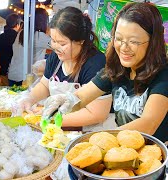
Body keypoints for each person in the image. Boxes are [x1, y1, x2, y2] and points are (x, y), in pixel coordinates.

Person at [43, 2, 168, 142]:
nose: (123, 47)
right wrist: (66, 101)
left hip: (156, 157)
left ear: (153, 43)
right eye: (119, 38)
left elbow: (148, 123)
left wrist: (103, 137)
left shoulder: (163, 75)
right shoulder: (117, 69)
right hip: (122, 150)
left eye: (133, 41)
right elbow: (82, 96)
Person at [16, 7, 112, 129]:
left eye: (62, 44)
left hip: (87, 133)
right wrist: (30, 98)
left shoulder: (95, 63)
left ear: (81, 41)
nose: (56, 47)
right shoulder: (55, 58)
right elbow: (45, 86)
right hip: (57, 129)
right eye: (53, 40)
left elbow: (97, 113)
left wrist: (54, 119)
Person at [8, 8, 51, 86]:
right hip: (26, 78)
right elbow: (60, 45)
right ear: (44, 22)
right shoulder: (40, 36)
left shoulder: (21, 33)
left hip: (13, 74)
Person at [0, 13, 22, 86]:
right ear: (17, 25)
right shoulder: (19, 37)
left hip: (3, 69)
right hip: (16, 71)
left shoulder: (0, 37)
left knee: (6, 92)